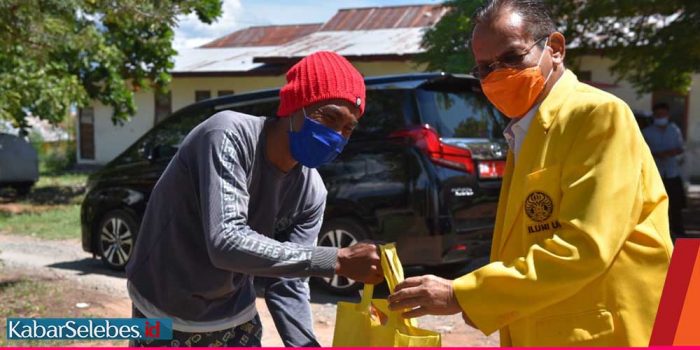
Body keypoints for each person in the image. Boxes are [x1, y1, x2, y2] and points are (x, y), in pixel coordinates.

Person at [387, 0, 673, 346]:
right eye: (485, 69)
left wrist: (462, 294)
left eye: (511, 58)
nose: (499, 76)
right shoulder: (526, 131)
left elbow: (585, 247)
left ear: (554, 48)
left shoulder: (597, 115)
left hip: (609, 331)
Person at [125, 51, 383, 347]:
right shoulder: (227, 135)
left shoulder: (311, 192)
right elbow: (226, 242)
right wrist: (335, 259)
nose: (337, 135)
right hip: (163, 308)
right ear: (294, 106)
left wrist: (305, 345)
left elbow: (289, 282)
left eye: (348, 128)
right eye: (329, 117)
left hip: (235, 313)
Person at [643, 102, 687, 240]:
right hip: (655, 175)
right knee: (656, 207)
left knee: (676, 206)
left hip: (672, 173)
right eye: (658, 115)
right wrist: (656, 154)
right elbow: (642, 152)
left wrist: (673, 152)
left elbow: (681, 148)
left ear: (667, 115)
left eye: (663, 115)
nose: (661, 117)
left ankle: (679, 234)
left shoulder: (674, 130)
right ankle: (660, 235)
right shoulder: (647, 132)